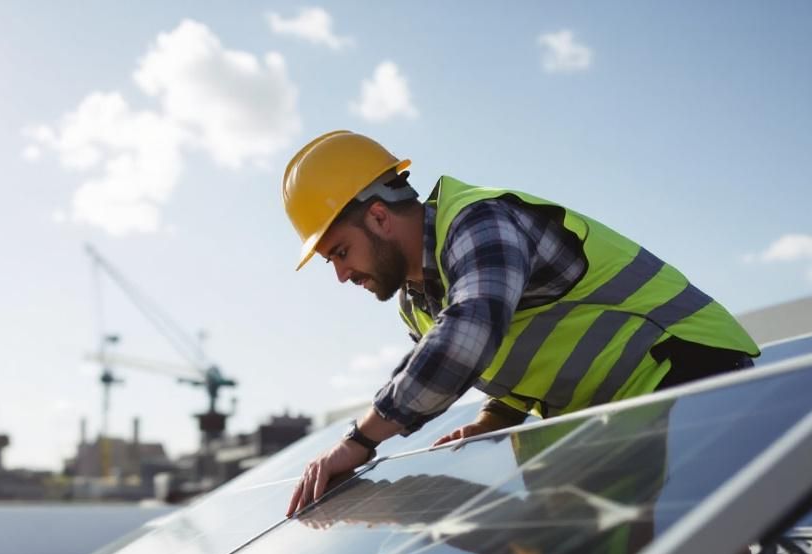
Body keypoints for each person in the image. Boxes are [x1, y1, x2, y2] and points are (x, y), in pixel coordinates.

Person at [281, 130, 760, 518]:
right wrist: (495, 417)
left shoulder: (480, 223)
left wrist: (361, 440)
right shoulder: (415, 302)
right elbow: (511, 346)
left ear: (380, 216)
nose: (342, 275)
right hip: (614, 415)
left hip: (687, 370)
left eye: (340, 252)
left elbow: (472, 331)